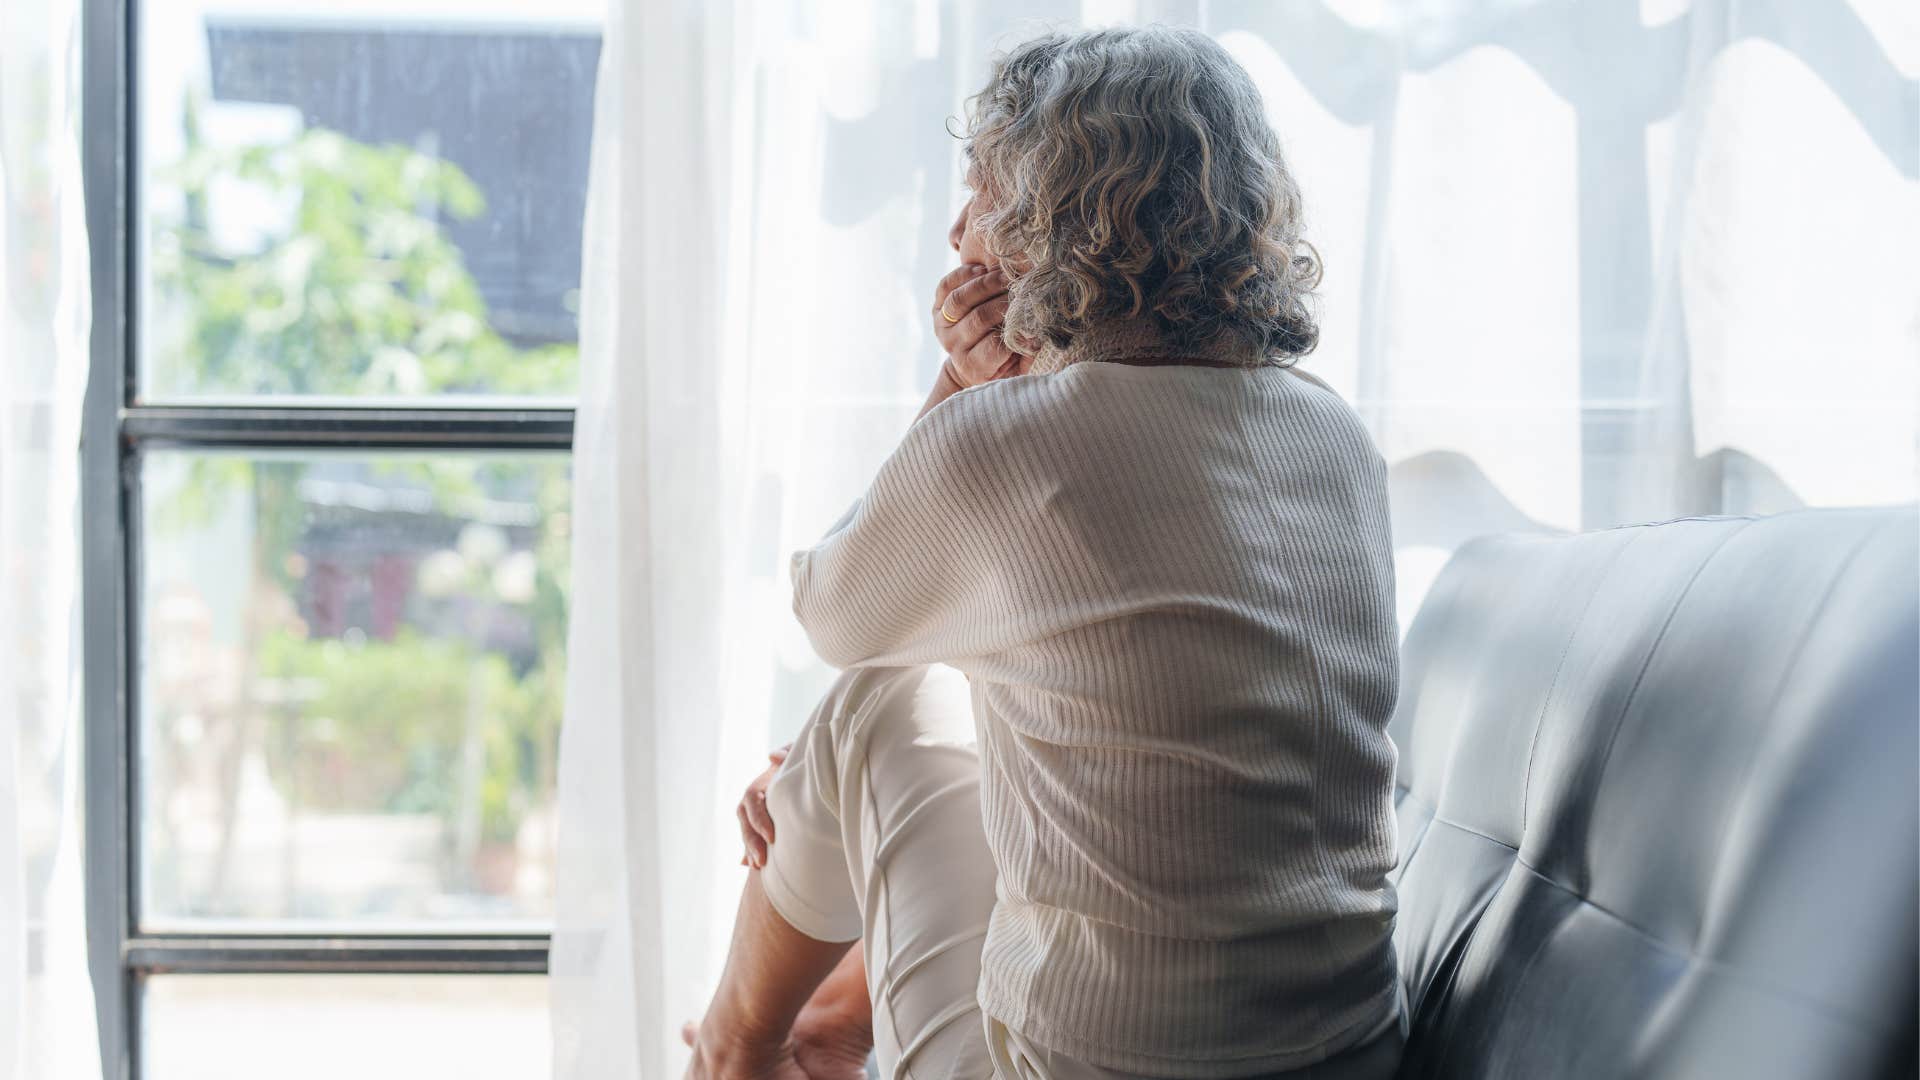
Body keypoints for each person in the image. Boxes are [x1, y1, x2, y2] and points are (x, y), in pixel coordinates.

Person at [683, 25, 1406, 1079]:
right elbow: (1122, 682)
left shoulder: (1010, 444)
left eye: (980, 191)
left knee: (872, 700)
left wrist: (959, 395)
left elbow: (833, 612)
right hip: (1346, 1053)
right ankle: (824, 1024)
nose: (955, 230)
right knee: (896, 705)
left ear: (1050, 218)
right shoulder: (1336, 437)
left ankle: (732, 1052)